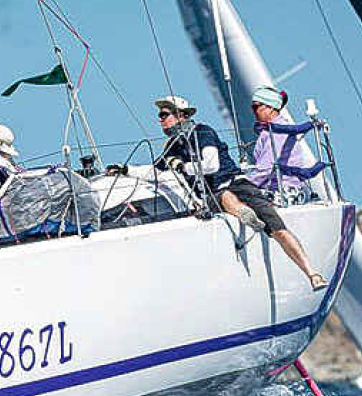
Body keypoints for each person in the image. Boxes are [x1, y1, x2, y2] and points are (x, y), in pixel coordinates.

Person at [107, 95, 326, 290]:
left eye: (164, 114)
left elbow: (210, 164)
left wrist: (183, 167)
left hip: (236, 181)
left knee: (277, 227)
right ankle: (246, 215)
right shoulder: (173, 145)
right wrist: (126, 170)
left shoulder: (202, 132)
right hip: (216, 194)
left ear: (181, 115)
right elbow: (155, 170)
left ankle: (312, 274)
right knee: (224, 197)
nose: (160, 119)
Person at [245, 86, 327, 197]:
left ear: (271, 108)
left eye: (255, 107)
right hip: (280, 190)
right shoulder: (273, 130)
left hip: (279, 193)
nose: (253, 111)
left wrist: (242, 186)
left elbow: (266, 169)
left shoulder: (276, 132)